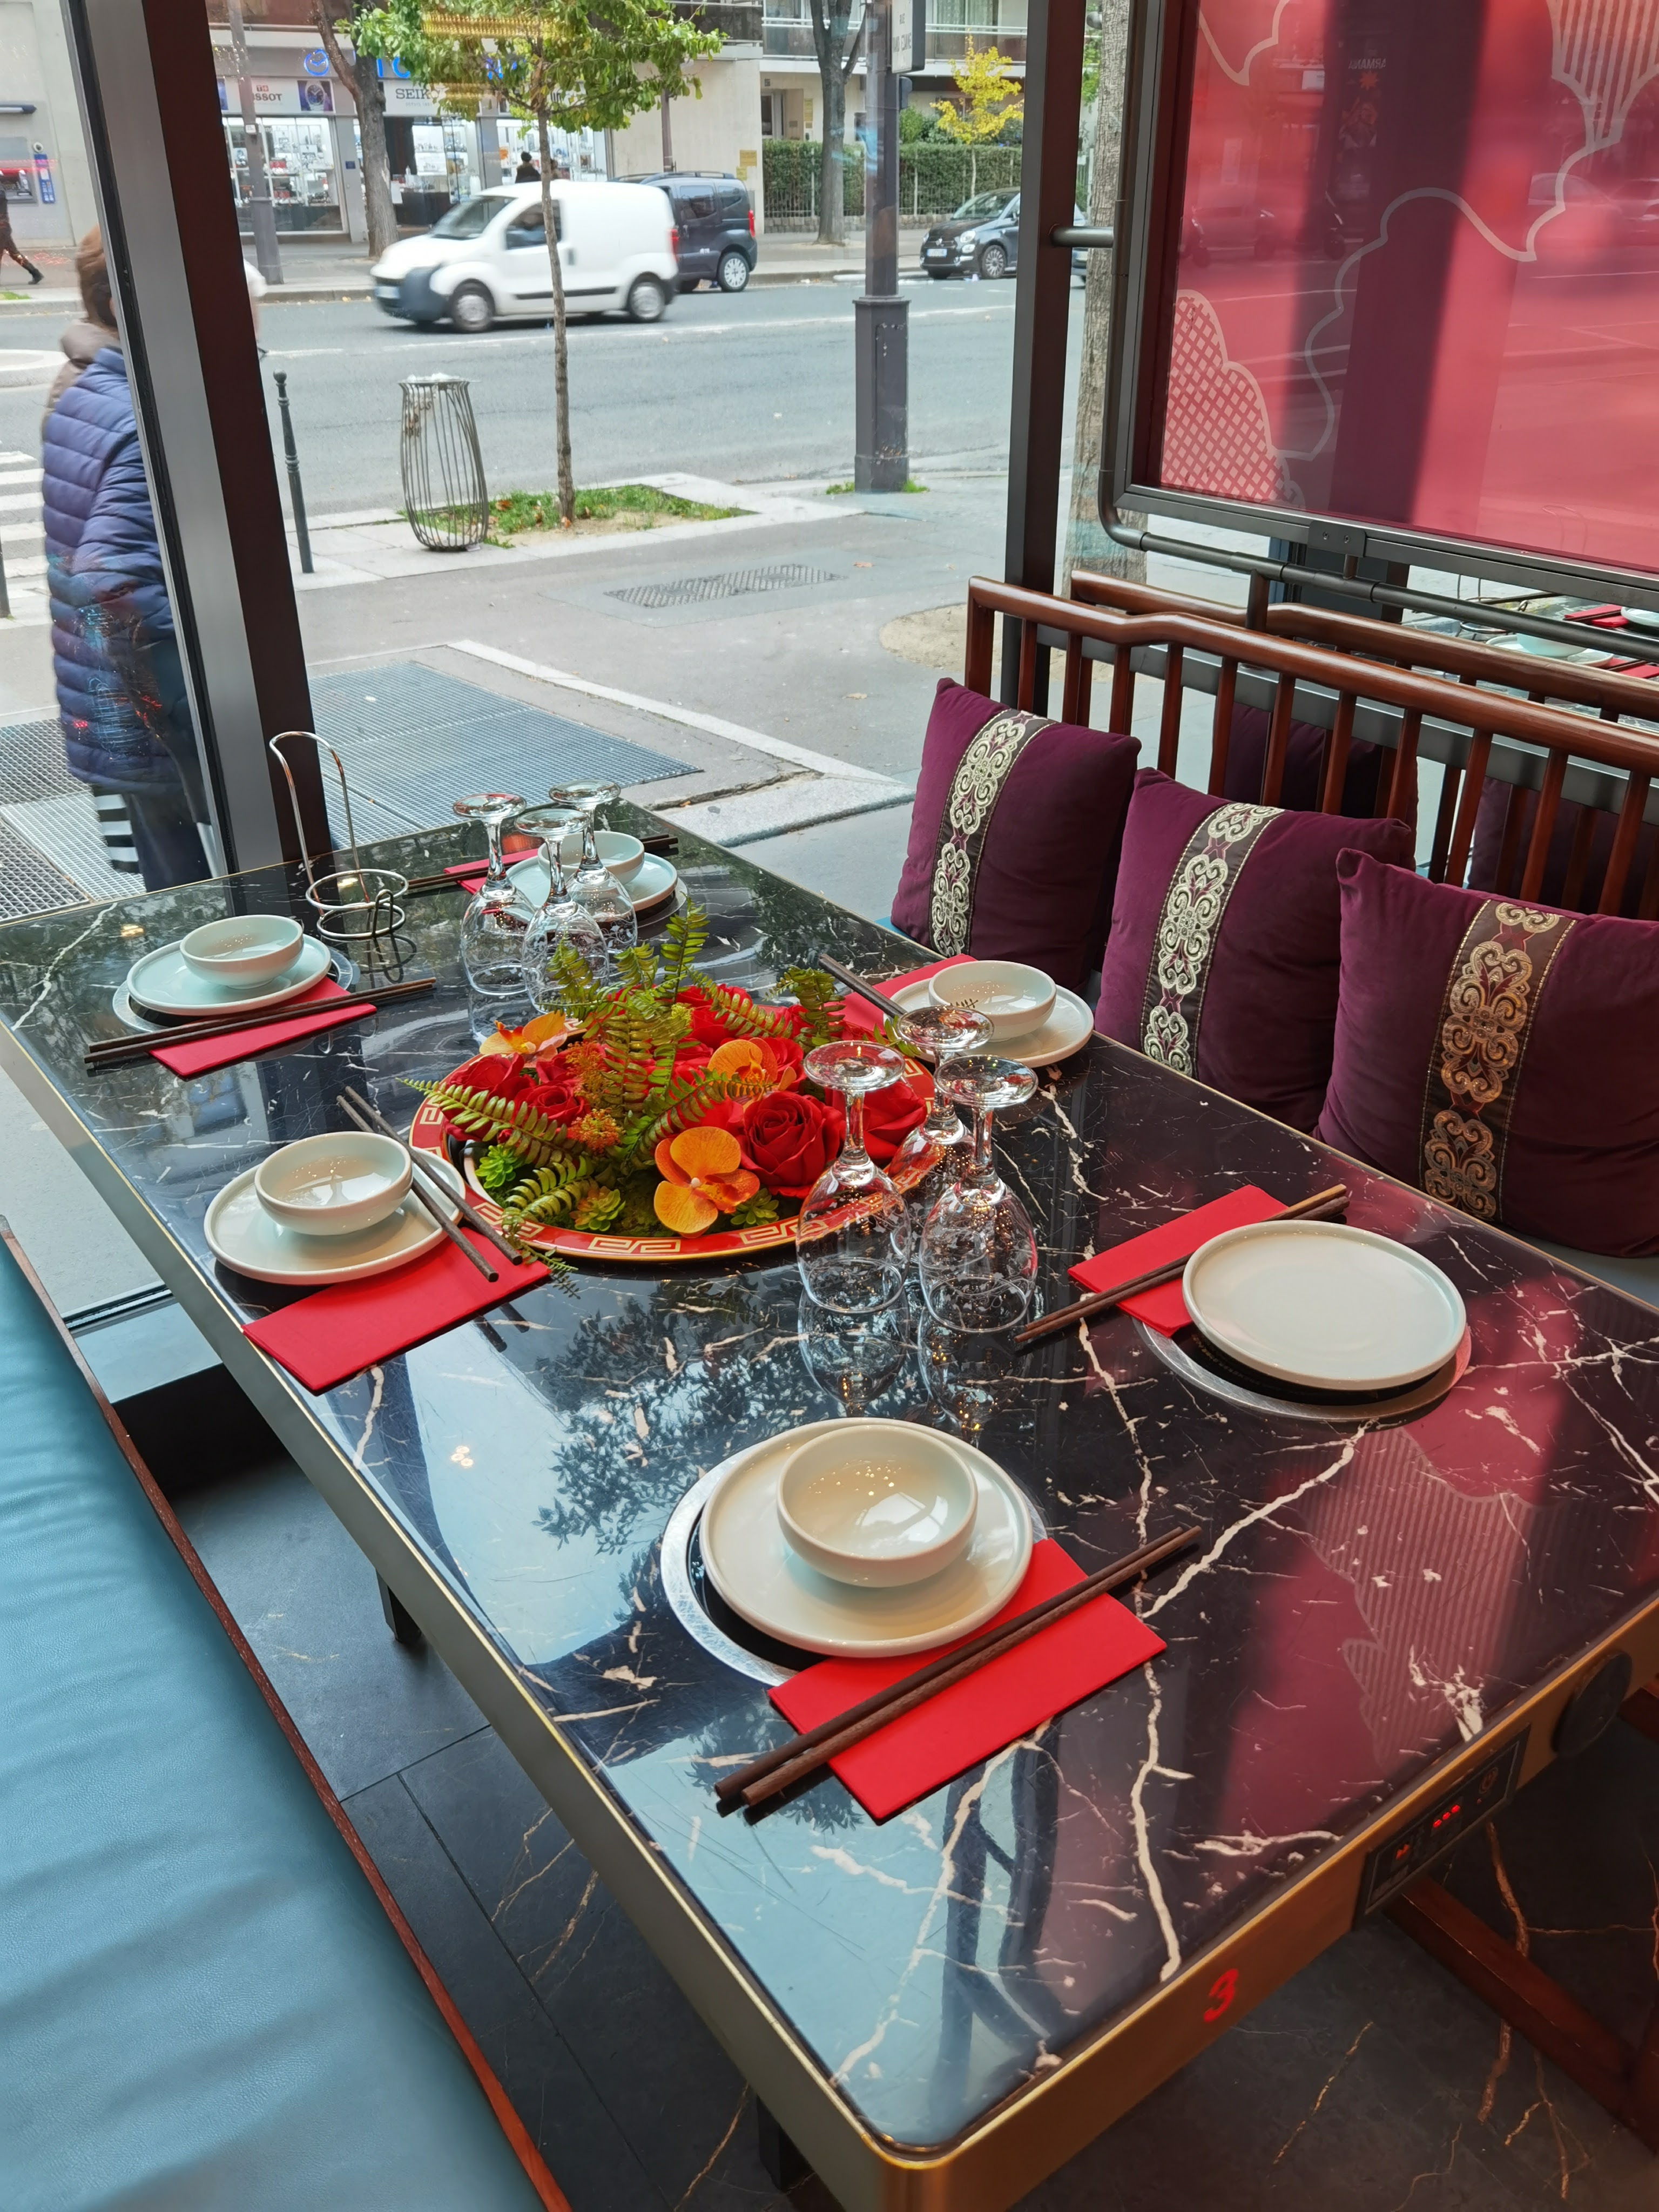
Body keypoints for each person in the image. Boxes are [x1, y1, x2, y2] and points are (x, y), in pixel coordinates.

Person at [41, 228, 209, 891]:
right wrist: (195, 708)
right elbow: (110, 579)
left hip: (114, 699)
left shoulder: (85, 387)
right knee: (252, 893)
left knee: (182, 902)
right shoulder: (140, 411)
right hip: (155, 717)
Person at [0, 186, 42, 285]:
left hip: (2, 229)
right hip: (4, 229)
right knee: (15, 254)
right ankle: (35, 273)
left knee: (14, 254)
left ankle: (36, 273)